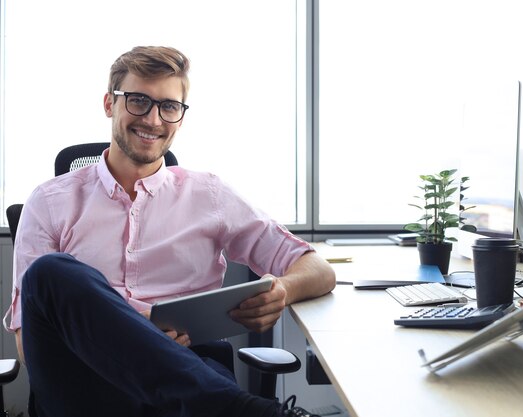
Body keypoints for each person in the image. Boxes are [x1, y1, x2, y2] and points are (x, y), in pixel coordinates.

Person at [4, 46, 336, 417]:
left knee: (193, 384)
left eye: (169, 106)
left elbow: (319, 270)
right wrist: (131, 337)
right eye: (138, 101)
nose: (153, 119)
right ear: (109, 104)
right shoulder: (50, 201)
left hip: (189, 367)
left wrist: (283, 290)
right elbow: (26, 345)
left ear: (180, 116)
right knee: (51, 273)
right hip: (84, 381)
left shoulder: (210, 195)